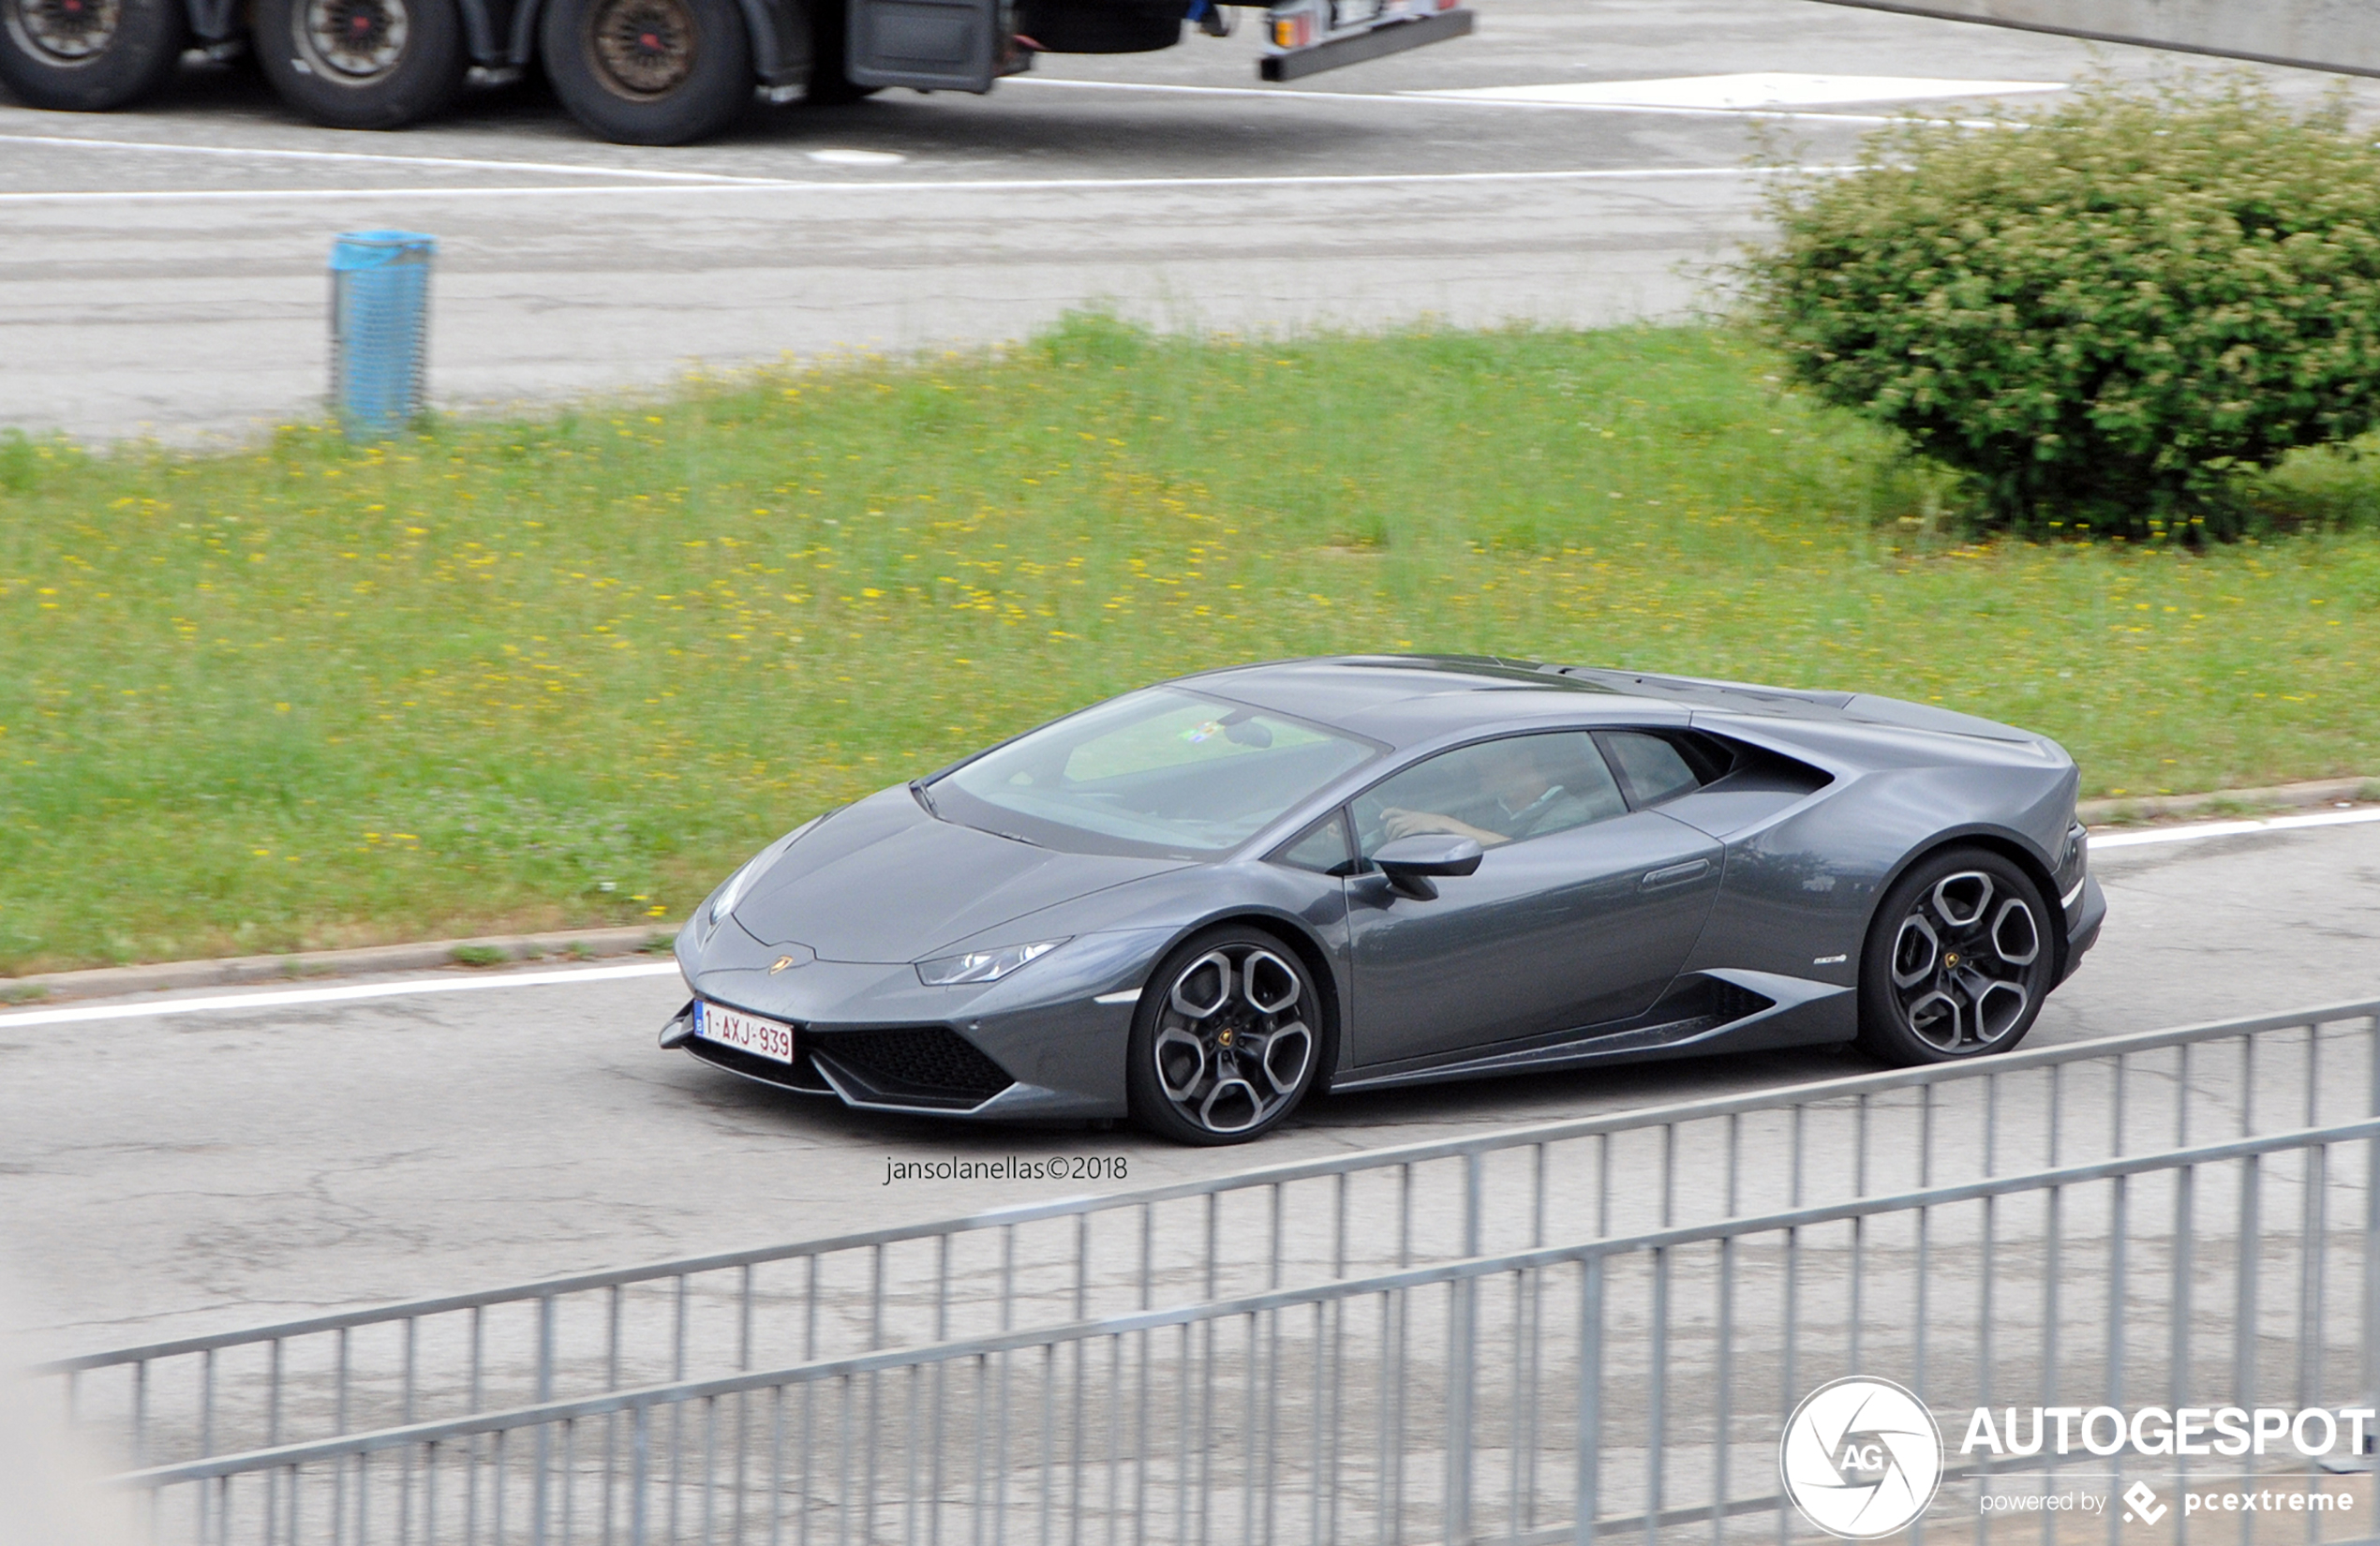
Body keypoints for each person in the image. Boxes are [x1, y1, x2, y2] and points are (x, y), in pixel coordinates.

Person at [1379, 736, 1607, 848]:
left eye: (1489, 756)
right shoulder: (1483, 803)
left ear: (1524, 761)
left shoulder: (1569, 813)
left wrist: (1447, 824)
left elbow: (1528, 857)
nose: (1478, 765)